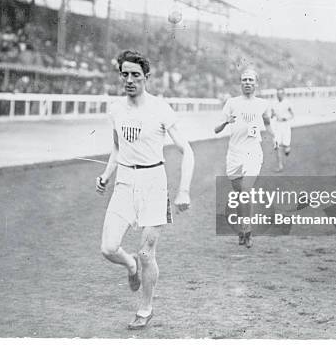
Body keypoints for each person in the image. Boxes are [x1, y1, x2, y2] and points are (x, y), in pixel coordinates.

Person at [96, 50, 194, 330]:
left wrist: (184, 190)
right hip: (124, 184)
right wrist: (105, 175)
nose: (129, 80)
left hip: (154, 184)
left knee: (148, 253)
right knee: (108, 248)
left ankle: (145, 308)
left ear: (146, 77)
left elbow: (187, 151)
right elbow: (117, 147)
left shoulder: (161, 109)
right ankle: (130, 266)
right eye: (124, 74)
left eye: (135, 75)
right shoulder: (115, 109)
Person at [214, 68, 270, 248]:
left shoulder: (262, 104)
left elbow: (268, 123)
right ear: (240, 83)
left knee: (246, 190)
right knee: (239, 195)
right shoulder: (231, 103)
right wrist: (225, 122)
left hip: (253, 152)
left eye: (251, 80)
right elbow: (216, 128)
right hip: (234, 154)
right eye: (244, 80)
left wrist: (275, 138)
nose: (247, 82)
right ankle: (242, 229)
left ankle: (248, 230)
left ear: (256, 84)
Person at [271, 88, 294, 172]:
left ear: (283, 94)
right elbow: (272, 115)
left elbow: (292, 115)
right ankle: (279, 165)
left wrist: (286, 117)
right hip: (277, 125)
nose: (279, 95)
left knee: (286, 147)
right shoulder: (274, 104)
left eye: (280, 94)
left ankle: (287, 149)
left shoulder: (287, 103)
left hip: (285, 125)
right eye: (277, 94)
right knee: (276, 145)